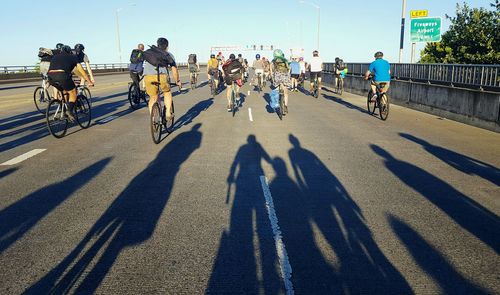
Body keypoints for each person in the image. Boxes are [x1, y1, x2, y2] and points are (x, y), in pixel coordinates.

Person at [47, 45, 94, 121]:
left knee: (65, 90)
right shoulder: (73, 57)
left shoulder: (55, 57)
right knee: (73, 92)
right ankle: (69, 111)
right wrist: (89, 81)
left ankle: (64, 108)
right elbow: (82, 72)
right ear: (69, 51)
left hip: (51, 77)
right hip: (62, 75)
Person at [143, 37, 181, 119]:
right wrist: (177, 81)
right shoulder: (168, 55)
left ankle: (153, 120)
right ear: (167, 46)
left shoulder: (149, 52)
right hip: (161, 76)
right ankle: (167, 113)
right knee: (167, 92)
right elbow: (174, 70)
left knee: (153, 97)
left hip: (147, 77)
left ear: (157, 45)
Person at [270, 49, 291, 114]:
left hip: (277, 76)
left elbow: (271, 70)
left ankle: (276, 102)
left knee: (276, 89)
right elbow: (289, 69)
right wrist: (288, 75)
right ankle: (285, 106)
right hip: (285, 75)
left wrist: (272, 77)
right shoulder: (285, 60)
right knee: (286, 92)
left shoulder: (273, 61)